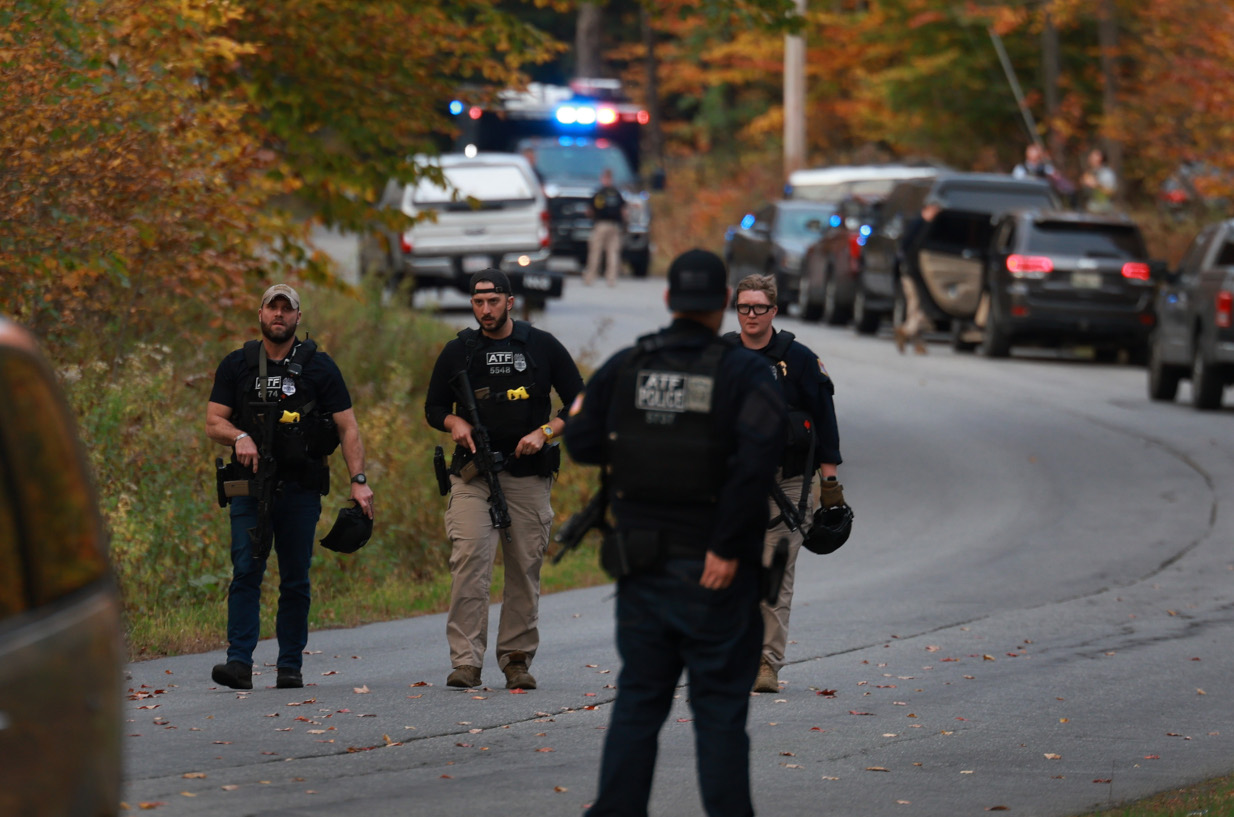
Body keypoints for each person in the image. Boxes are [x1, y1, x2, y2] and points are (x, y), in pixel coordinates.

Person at [563, 249, 786, 817]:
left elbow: (582, 442)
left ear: (667, 300)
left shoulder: (627, 365)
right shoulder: (744, 373)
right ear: (721, 306)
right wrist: (726, 549)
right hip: (717, 573)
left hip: (640, 569)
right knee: (718, 715)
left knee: (638, 702)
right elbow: (757, 463)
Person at [205, 284, 375, 691]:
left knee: (295, 577)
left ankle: (289, 666)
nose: (279, 314)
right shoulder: (237, 364)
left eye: (287, 309)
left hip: (300, 486)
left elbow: (347, 426)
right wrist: (239, 437)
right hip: (250, 486)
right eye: (272, 307)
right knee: (246, 570)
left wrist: (359, 482)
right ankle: (239, 663)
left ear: (299, 317)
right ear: (260, 314)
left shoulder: (320, 367)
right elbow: (213, 421)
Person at [424, 269, 583, 690]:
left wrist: (545, 432)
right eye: (478, 302)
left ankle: (516, 659)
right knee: (471, 563)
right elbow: (434, 405)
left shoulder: (541, 345)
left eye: (493, 301)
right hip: (474, 474)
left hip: (528, 475)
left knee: (524, 568)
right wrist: (454, 421)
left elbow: (581, 399)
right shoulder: (459, 350)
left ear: (510, 301)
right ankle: (466, 662)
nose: (485, 310)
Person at [725, 274, 844, 694]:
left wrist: (830, 488)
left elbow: (826, 426)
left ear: (774, 311)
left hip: (788, 485)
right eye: (744, 307)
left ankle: (766, 662)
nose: (751, 315)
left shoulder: (801, 360)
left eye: (759, 307)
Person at [895, 196, 941, 354]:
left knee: (915, 307)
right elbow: (905, 249)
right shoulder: (918, 226)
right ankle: (906, 332)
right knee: (917, 306)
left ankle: (917, 342)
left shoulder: (924, 226)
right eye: (934, 210)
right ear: (927, 209)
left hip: (917, 273)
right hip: (912, 273)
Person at [583, 168, 626, 287]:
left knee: (595, 252)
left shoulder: (600, 194)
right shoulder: (617, 193)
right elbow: (624, 211)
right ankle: (611, 279)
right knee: (613, 253)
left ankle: (590, 277)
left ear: (603, 178)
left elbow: (590, 211)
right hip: (615, 226)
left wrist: (591, 217)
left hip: (601, 225)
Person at [1080, 147, 1118, 213]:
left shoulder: (1106, 173)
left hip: (1103, 210)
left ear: (1100, 158)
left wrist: (1096, 184)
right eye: (1090, 156)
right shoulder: (1090, 172)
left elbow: (1111, 192)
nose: (1090, 158)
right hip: (1090, 208)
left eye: (1093, 156)